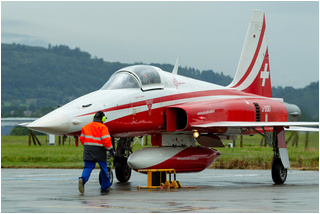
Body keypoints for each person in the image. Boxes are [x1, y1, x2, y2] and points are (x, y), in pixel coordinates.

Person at [78, 111, 113, 195]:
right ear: (103, 118)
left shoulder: (86, 127)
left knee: (88, 167)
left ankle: (82, 180)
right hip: (100, 151)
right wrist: (110, 149)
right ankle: (104, 188)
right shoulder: (103, 127)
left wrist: (88, 146)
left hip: (88, 150)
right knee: (104, 169)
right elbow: (106, 141)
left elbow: (81, 139)